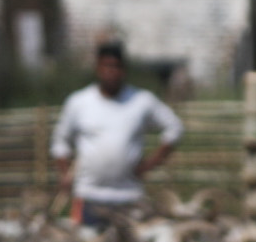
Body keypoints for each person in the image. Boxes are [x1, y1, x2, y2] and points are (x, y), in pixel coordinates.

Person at [49, 41, 184, 227]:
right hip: (89, 197)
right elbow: (59, 142)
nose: (111, 71)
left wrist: (149, 164)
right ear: (97, 68)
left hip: (129, 197)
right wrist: (65, 173)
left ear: (124, 70)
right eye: (106, 66)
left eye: (116, 66)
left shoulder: (141, 101)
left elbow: (174, 128)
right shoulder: (79, 102)